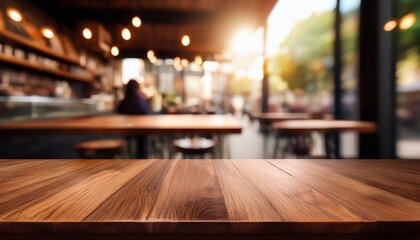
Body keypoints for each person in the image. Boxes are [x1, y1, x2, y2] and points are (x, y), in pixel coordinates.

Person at [116, 79, 153, 158]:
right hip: (142, 130)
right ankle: (142, 161)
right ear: (138, 88)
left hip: (126, 131)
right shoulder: (141, 101)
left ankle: (131, 160)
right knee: (143, 138)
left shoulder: (124, 101)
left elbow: (118, 111)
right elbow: (148, 112)